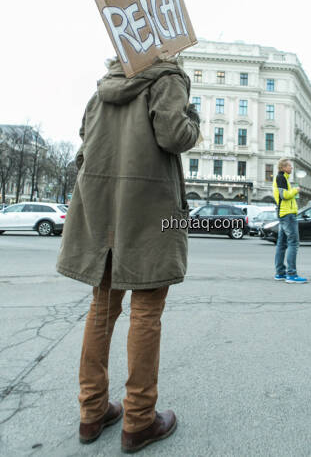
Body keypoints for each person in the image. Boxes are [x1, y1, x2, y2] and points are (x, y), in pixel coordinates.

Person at [56, 56, 200, 452]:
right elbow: (175, 135)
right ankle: (138, 419)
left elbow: (84, 135)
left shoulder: (103, 86)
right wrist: (193, 115)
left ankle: (92, 411)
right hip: (148, 209)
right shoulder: (168, 77)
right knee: (146, 312)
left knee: (101, 309)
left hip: (102, 208)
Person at [273, 158, 308, 283]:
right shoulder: (281, 178)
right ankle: (291, 274)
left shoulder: (283, 178)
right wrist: (295, 190)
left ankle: (280, 273)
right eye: (289, 166)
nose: (291, 168)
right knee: (293, 243)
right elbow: (284, 195)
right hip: (287, 214)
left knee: (281, 244)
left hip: (284, 213)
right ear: (283, 167)